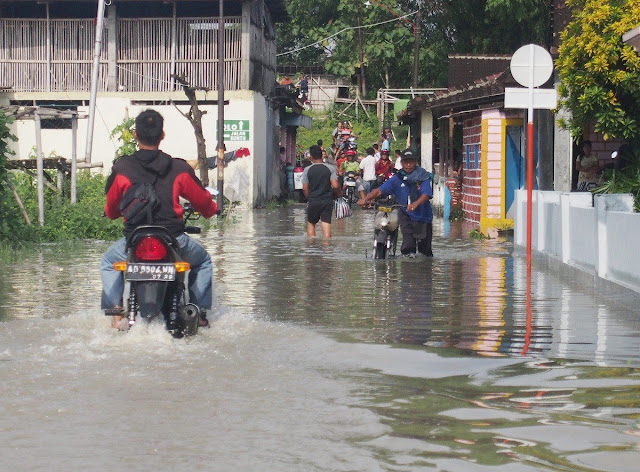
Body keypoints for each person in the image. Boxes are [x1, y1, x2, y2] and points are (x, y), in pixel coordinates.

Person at [101, 109, 218, 328]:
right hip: (173, 240)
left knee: (109, 262)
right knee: (203, 261)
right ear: (162, 135)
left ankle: (116, 315)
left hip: (134, 242)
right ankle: (199, 314)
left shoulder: (123, 168)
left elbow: (112, 210)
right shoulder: (179, 168)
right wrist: (211, 210)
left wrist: (113, 213)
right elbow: (202, 201)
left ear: (135, 135)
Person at [358, 149, 433, 257]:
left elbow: (426, 194)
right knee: (407, 247)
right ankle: (407, 269)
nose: (408, 165)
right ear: (401, 163)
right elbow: (380, 190)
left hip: (423, 216)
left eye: (411, 162)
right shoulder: (397, 178)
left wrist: (415, 204)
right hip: (405, 214)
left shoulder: (423, 177)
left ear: (415, 162)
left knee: (425, 251)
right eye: (405, 162)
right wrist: (366, 199)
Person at [302, 145, 342, 238]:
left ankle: (311, 247)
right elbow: (335, 185)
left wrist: (309, 198)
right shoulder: (331, 168)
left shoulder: (307, 170)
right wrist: (339, 193)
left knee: (311, 224)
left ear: (311, 157)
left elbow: (305, 188)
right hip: (327, 201)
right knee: (326, 225)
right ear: (322, 155)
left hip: (313, 200)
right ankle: (327, 249)